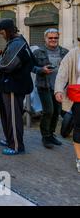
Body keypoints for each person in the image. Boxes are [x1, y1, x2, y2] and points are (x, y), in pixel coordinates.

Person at [0, 19, 34, 156]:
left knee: (13, 118)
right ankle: (10, 139)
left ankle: (16, 145)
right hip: (7, 86)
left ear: (9, 30)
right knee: (6, 116)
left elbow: (6, 66)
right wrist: (1, 53)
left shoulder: (17, 44)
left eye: (2, 33)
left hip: (13, 86)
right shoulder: (15, 42)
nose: (1, 36)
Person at [33, 29, 68, 149]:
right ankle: (45, 136)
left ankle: (51, 134)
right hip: (44, 85)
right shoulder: (38, 52)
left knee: (56, 112)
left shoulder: (64, 52)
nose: (53, 40)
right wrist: (41, 70)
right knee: (48, 111)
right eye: (51, 38)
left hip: (59, 87)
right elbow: (30, 66)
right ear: (45, 39)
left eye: (55, 38)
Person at [54, 41, 80, 173]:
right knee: (79, 127)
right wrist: (58, 90)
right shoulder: (73, 54)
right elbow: (62, 72)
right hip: (78, 96)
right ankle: (79, 159)